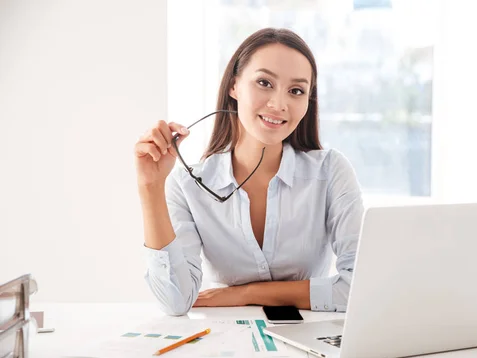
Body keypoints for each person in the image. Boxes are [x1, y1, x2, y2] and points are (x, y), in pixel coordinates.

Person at [134, 28, 364, 316]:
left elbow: (359, 287)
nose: (279, 105)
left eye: (296, 90)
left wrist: (246, 293)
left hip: (309, 347)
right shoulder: (188, 185)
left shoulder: (331, 172)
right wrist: (150, 186)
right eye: (264, 82)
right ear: (234, 86)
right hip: (224, 343)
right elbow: (175, 300)